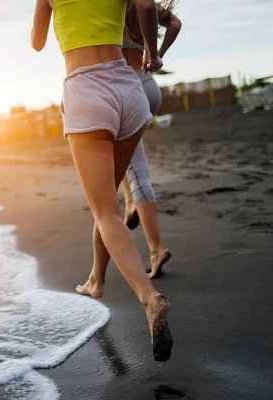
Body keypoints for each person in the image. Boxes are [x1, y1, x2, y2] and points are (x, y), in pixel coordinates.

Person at [32, 0, 173, 361]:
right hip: (129, 89)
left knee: (105, 212)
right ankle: (96, 280)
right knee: (108, 201)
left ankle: (149, 299)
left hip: (86, 91)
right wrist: (153, 56)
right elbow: (145, 4)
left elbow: (36, 41)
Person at [121, 1, 182, 279]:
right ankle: (130, 200)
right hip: (147, 84)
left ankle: (156, 247)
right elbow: (175, 23)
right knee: (119, 152)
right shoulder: (142, 6)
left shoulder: (111, 8)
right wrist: (155, 55)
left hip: (125, 87)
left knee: (136, 169)